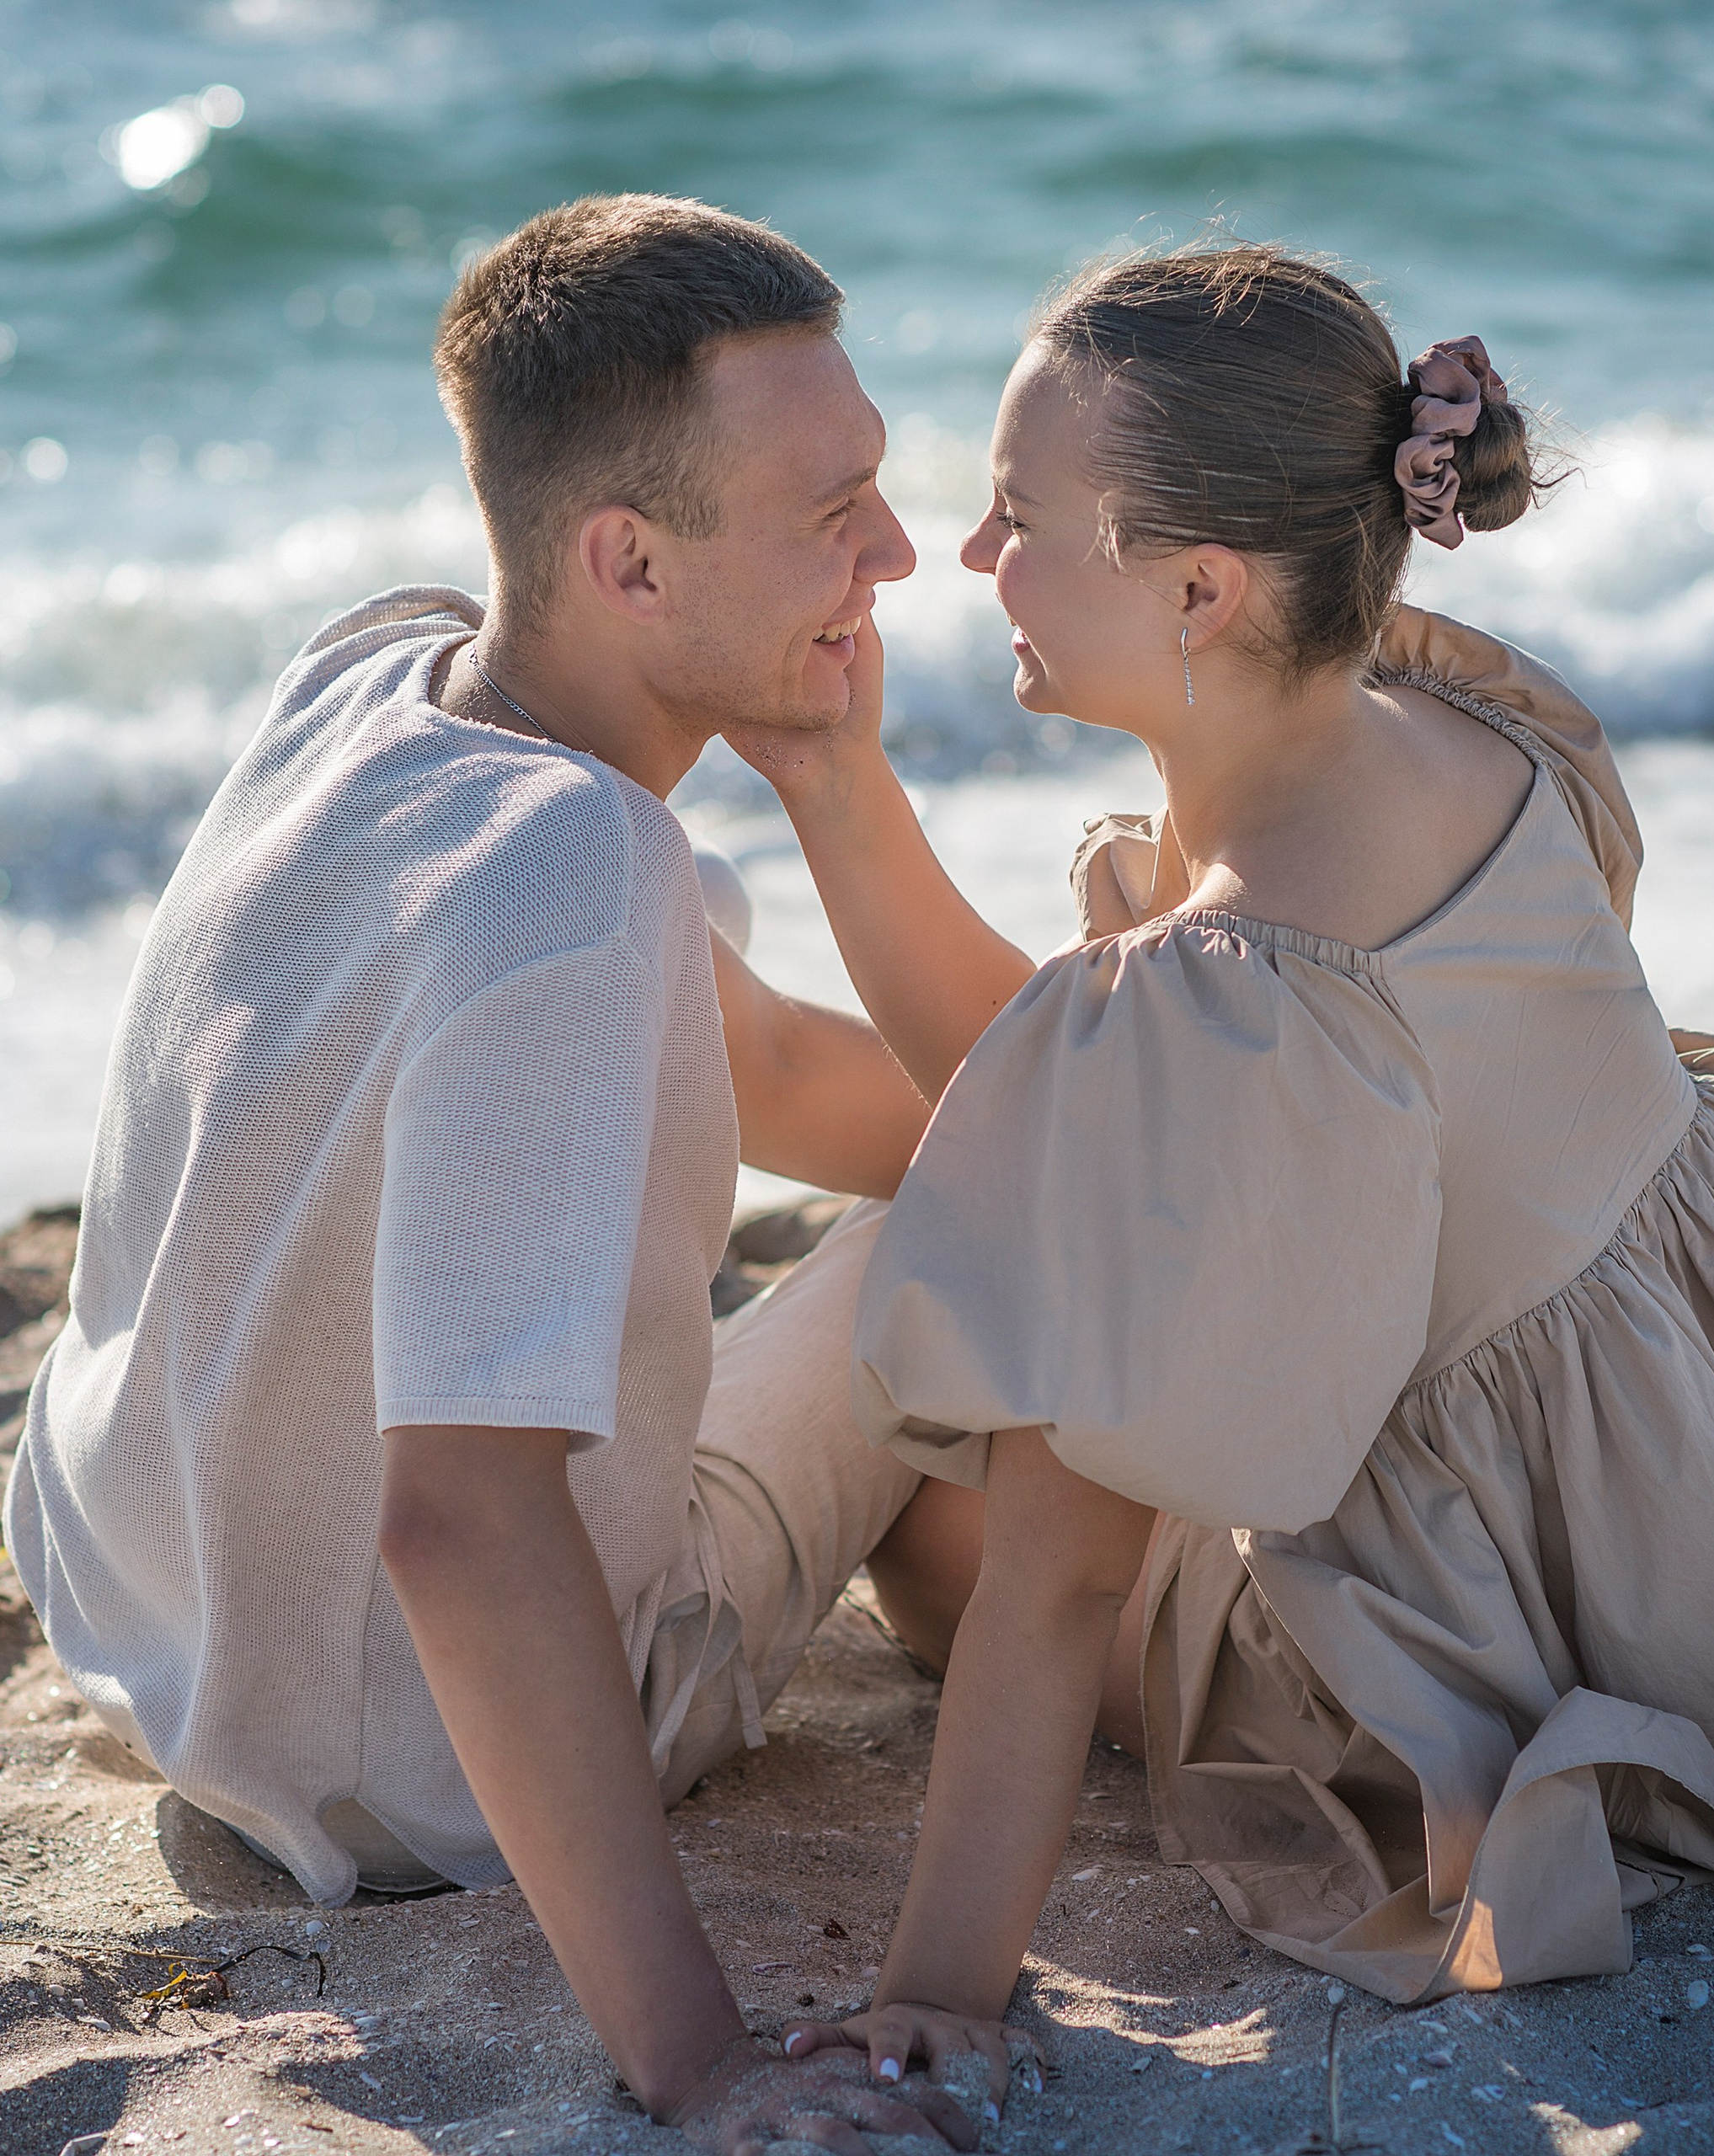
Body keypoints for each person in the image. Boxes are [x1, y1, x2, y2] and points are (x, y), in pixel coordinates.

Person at [714, 243, 1714, 2089]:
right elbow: (1072, 1098)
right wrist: (843, 781)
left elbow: (1058, 1571)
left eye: (1014, 517)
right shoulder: (1452, 712)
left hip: (1524, 1581)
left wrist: (935, 1985)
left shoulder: (1233, 989)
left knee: (937, 1538)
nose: (972, 557)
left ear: (1203, 588)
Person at [4, 195, 986, 2155]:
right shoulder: (573, 883)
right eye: (833, 509)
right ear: (626, 557)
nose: (896, 551)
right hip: (413, 1776)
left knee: (881, 1121)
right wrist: (695, 2058)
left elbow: (782, 1065)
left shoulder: (374, 676)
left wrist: (827, 775)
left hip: (155, 1621)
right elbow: (460, 1516)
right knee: (977, 1248)